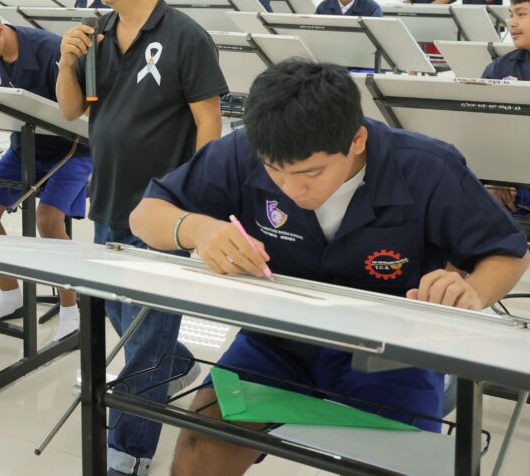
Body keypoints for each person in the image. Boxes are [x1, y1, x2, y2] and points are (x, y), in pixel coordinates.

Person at [128, 59, 528, 476]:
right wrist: (197, 228)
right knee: (201, 445)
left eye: (311, 172)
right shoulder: (243, 150)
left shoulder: (427, 167)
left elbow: (509, 253)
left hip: (391, 354)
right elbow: (145, 215)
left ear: (357, 140)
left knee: (398, 466)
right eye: (275, 172)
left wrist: (472, 290)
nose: (292, 189)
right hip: (276, 341)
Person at [56, 0, 227, 476]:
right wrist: (65, 62)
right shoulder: (97, 32)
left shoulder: (185, 37)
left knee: (146, 337)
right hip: (108, 198)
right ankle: (175, 363)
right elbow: (71, 110)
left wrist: (195, 202)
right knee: (120, 314)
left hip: (161, 211)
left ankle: (130, 451)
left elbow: (209, 125)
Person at [0, 0, 92, 342]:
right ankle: (12, 295)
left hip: (72, 149)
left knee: (48, 220)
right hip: (22, 147)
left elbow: (84, 113)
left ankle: (71, 311)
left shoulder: (50, 50)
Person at [482, 0, 530, 218]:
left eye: (521, 14)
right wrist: (495, 177)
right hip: (514, 202)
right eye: (510, 14)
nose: (512, 23)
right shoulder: (499, 70)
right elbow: (482, 130)